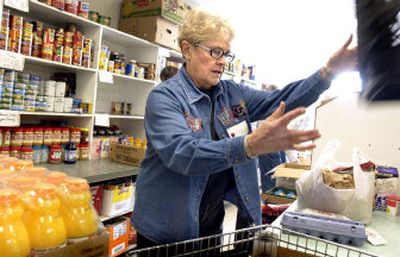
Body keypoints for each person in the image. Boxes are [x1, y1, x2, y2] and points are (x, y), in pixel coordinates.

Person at [132, 8, 357, 254]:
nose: (222, 60)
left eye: (225, 54)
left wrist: (327, 73)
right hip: (166, 234)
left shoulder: (232, 94)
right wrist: (248, 146)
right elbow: (183, 153)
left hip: (208, 227)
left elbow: (280, 100)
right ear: (187, 50)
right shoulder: (165, 98)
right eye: (214, 51)